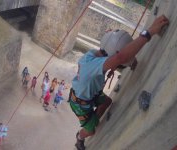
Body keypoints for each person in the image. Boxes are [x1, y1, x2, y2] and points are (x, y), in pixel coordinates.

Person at [69, 15, 169, 150]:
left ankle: (93, 120)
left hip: (87, 95)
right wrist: (149, 31)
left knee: (107, 102)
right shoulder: (96, 65)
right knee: (91, 131)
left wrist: (118, 65)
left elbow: (114, 55)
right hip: (80, 103)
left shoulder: (93, 54)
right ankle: (80, 137)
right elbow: (120, 57)